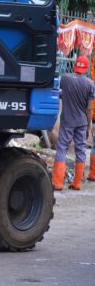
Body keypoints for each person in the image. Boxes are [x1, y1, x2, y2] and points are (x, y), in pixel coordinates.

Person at [53, 55, 95, 191]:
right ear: (87, 68)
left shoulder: (65, 78)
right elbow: (89, 108)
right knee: (80, 150)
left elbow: (58, 91)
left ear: (75, 65)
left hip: (67, 121)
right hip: (82, 122)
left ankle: (58, 183)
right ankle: (77, 183)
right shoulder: (90, 84)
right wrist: (89, 126)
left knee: (62, 149)